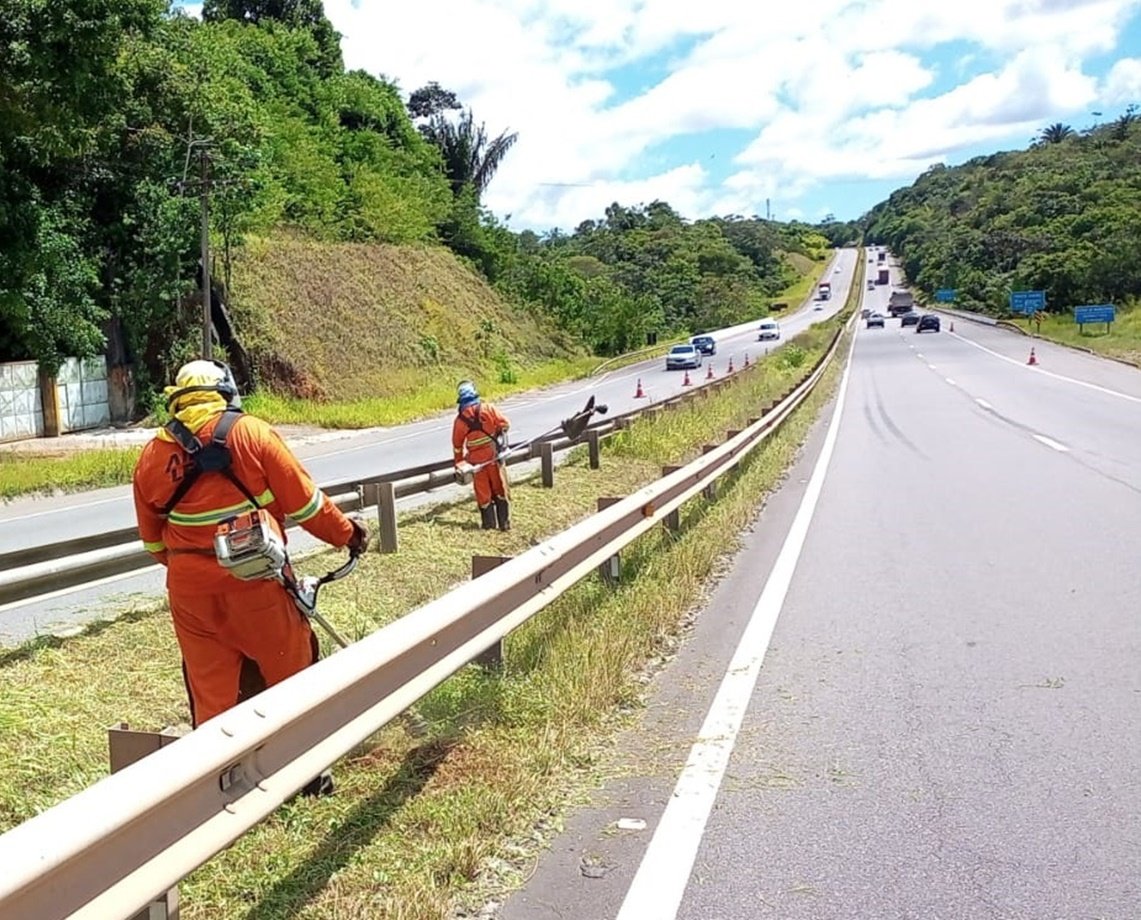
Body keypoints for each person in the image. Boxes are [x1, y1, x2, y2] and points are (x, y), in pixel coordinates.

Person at [132, 359, 368, 789]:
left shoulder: (152, 455)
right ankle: (308, 774)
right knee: (291, 673)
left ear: (177, 400)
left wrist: (196, 571)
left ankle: (219, 785)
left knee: (210, 693)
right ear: (225, 392)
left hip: (190, 598)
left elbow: (153, 545)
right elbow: (307, 506)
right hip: (258, 584)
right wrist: (348, 534)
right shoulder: (251, 433)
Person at [452, 379, 511, 531]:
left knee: (483, 494)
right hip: (493, 458)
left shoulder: (460, 420)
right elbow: (505, 424)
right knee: (500, 489)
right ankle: (504, 524)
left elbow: (457, 446)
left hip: (476, 464)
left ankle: (489, 526)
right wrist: (497, 433)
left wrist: (460, 465)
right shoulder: (488, 408)